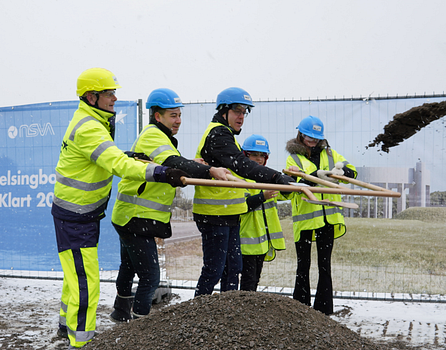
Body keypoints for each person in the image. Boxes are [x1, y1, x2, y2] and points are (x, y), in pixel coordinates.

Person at [51, 69, 188, 348]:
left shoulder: (91, 121)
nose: (115, 98)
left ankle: (66, 326)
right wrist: (159, 172)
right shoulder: (90, 126)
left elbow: (107, 157)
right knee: (85, 283)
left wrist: (129, 156)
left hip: (80, 214)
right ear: (92, 96)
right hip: (76, 216)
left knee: (75, 276)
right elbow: (116, 164)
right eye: (109, 93)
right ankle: (82, 342)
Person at [109, 88, 231, 322]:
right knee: (150, 277)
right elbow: (172, 161)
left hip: (129, 215)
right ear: (158, 116)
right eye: (173, 115)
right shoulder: (154, 135)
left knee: (129, 266)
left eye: (179, 115)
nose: (178, 121)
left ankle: (120, 311)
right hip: (136, 218)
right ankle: (139, 327)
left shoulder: (160, 138)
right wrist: (209, 170)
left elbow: (170, 159)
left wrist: (190, 163)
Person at [192, 87, 295, 297]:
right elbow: (243, 165)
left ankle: (226, 314)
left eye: (244, 111)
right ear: (224, 111)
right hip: (214, 215)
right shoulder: (218, 134)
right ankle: (197, 313)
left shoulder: (226, 134)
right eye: (237, 110)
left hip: (228, 213)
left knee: (233, 270)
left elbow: (242, 166)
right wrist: (276, 177)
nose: (241, 116)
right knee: (214, 270)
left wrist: (289, 179)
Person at [284, 115, 358, 315]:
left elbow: (352, 171)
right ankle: (301, 308)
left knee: (324, 266)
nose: (312, 141)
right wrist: (315, 177)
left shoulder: (331, 154)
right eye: (309, 137)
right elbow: (293, 186)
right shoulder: (294, 158)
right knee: (303, 266)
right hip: (306, 219)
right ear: (300, 134)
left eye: (316, 137)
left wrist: (342, 174)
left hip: (328, 218)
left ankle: (324, 311)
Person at [237, 134, 287, 292]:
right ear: (246, 156)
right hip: (247, 241)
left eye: (261, 156)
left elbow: (286, 193)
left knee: (255, 279)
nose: (258, 159)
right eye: (254, 155)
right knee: (248, 280)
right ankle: (244, 309)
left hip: (262, 242)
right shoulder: (240, 180)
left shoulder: (268, 179)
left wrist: (291, 178)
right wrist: (262, 197)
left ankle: (249, 309)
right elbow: (241, 206)